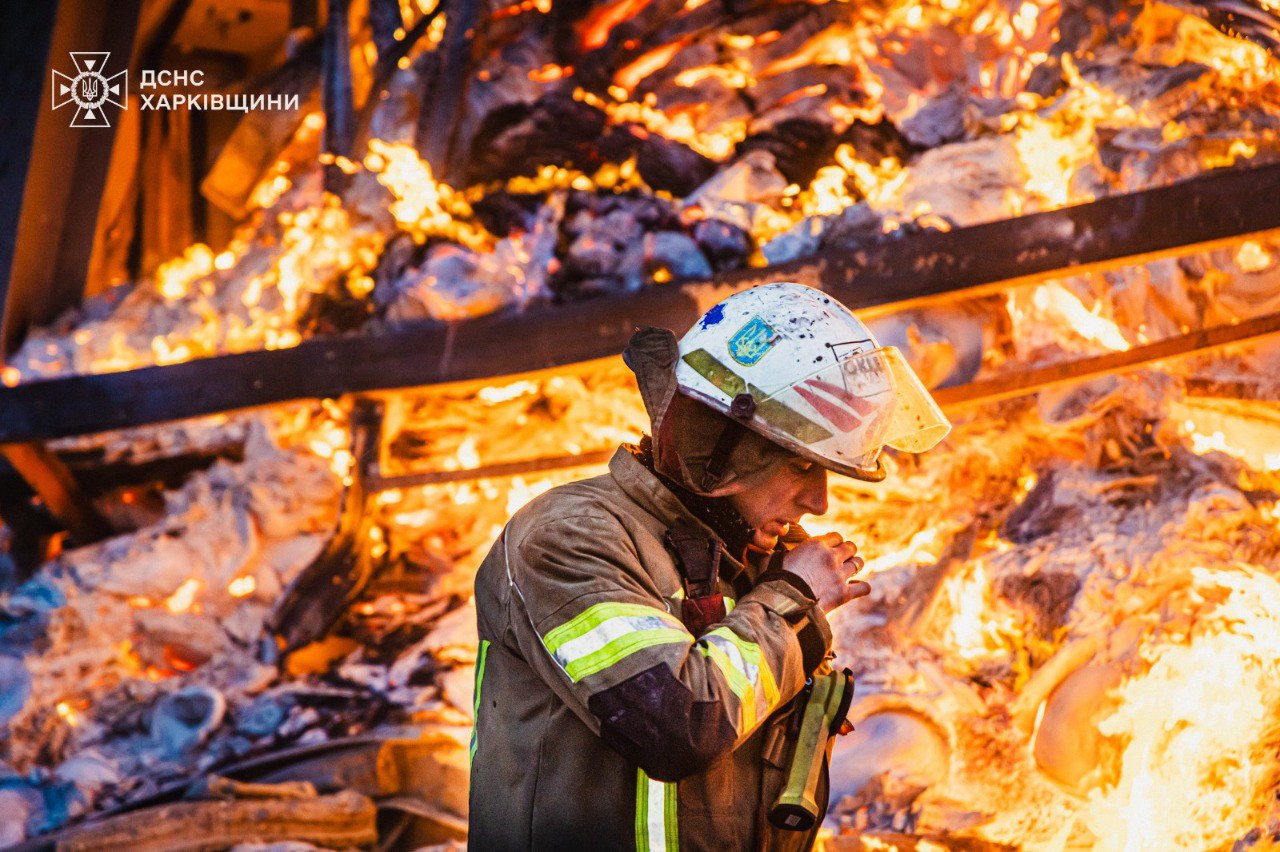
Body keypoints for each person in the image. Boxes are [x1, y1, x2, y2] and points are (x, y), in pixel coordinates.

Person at [468, 282, 951, 851]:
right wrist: (790, 600)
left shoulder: (739, 560)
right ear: (722, 445)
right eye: (801, 465)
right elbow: (679, 724)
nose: (820, 502)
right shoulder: (569, 537)